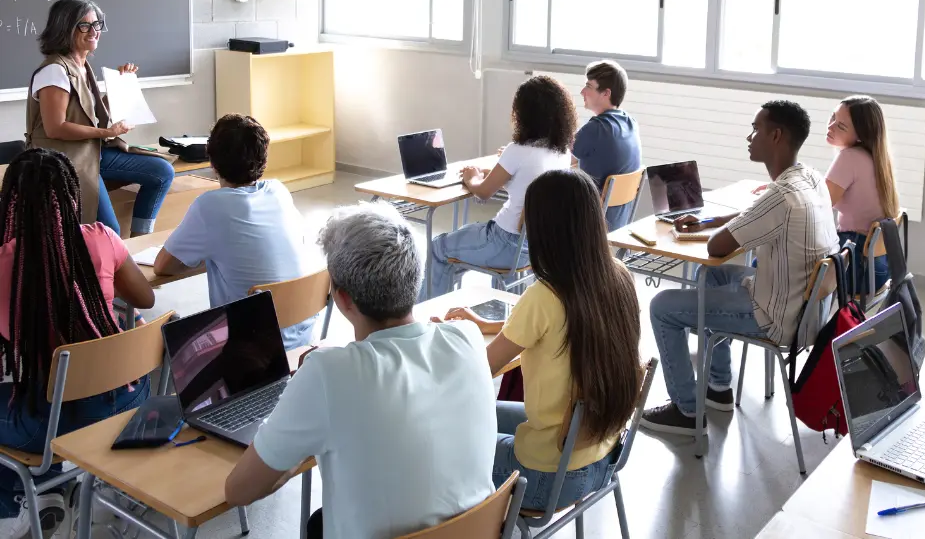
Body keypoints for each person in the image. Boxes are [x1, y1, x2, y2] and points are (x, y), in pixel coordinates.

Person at [225, 202, 496, 539]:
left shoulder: (326, 375)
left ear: (342, 298)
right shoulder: (467, 338)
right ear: (416, 275)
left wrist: (296, 428)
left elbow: (239, 491)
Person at [436, 169, 642, 509]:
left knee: (444, 436)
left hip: (546, 477)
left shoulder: (545, 295)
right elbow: (557, 324)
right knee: (478, 410)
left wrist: (453, 337)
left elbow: (479, 370)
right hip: (603, 459)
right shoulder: (618, 277)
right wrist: (487, 322)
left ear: (543, 230)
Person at [640, 100, 840, 434]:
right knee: (714, 275)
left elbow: (717, 246)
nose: (750, 137)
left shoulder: (780, 195)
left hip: (776, 318)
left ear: (776, 136)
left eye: (756, 129)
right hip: (808, 312)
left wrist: (712, 229)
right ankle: (719, 388)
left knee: (663, 306)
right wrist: (713, 218)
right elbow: (756, 215)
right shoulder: (809, 178)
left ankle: (686, 411)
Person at [0, 149, 155, 536]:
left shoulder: (5, 263)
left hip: (47, 427)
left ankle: (21, 495)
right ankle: (62, 488)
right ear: (72, 196)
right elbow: (145, 300)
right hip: (128, 399)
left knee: (28, 393)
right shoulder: (102, 238)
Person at [153, 114, 315, 349]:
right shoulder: (278, 191)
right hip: (302, 338)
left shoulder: (210, 206)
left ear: (212, 161)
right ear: (264, 158)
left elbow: (162, 266)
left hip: (251, 350)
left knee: (174, 328)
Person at [26, 0, 176, 236]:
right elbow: (56, 128)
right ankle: (118, 256)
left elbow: (89, 113)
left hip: (91, 152)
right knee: (109, 232)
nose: (94, 31)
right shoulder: (55, 70)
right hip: (66, 161)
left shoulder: (82, 66)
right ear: (64, 28)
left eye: (97, 25)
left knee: (161, 172)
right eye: (84, 25)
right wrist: (106, 133)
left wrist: (119, 85)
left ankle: (139, 242)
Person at [424, 76, 575, 300]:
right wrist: (501, 171)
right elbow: (530, 183)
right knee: (458, 257)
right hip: (537, 247)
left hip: (504, 243)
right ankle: (506, 314)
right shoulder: (563, 153)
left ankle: (427, 316)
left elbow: (483, 192)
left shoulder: (517, 150)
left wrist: (471, 178)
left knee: (439, 248)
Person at [824, 95, 900, 293]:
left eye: (841, 126)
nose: (830, 126)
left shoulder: (849, 157)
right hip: (880, 269)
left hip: (857, 268)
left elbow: (818, 205)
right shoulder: (877, 158)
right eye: (832, 117)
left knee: (780, 260)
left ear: (860, 135)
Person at [572, 60, 643, 229]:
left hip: (591, 223)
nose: (582, 91)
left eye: (588, 86)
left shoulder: (596, 128)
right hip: (619, 223)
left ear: (606, 93)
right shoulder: (630, 123)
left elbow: (556, 159)